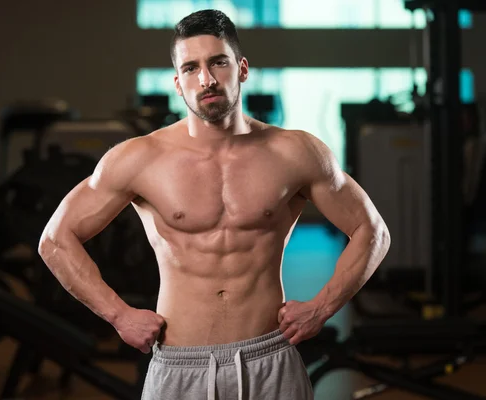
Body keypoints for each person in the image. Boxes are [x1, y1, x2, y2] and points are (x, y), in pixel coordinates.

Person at [38, 9, 391, 400]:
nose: (205, 78)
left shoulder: (295, 152)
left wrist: (323, 307)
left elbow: (372, 230)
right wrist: (118, 314)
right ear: (177, 82)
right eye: (191, 68)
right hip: (178, 364)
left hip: (269, 358)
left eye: (217, 62)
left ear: (241, 68)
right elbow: (55, 240)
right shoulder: (140, 158)